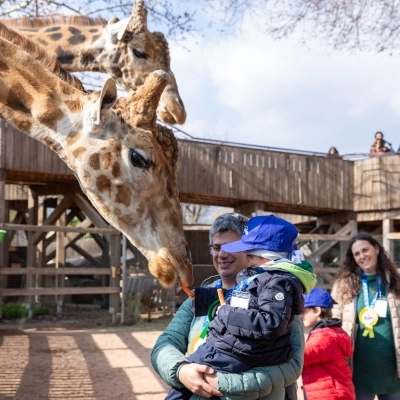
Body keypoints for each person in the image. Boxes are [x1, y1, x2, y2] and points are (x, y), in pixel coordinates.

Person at [151, 213, 307, 400]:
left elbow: (292, 366)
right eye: (217, 247)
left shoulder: (277, 300)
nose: (222, 254)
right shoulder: (197, 300)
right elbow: (165, 344)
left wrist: (219, 382)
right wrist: (181, 371)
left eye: (231, 247)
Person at [332, 232, 400, 400]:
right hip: (358, 372)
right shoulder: (343, 286)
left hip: (393, 372)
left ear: (376, 249)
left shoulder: (396, 281)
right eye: (357, 254)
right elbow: (335, 325)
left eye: (365, 250)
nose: (362, 256)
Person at [300, 288, 355, 400]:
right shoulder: (329, 331)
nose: (301, 316)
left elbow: (301, 355)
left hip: (330, 395)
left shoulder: (324, 336)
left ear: (317, 310)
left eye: (303, 311)